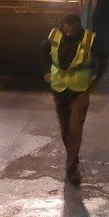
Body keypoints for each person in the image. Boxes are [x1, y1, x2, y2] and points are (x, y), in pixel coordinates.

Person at [43, 12, 96, 183]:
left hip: (79, 91)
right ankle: (72, 157)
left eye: (72, 29)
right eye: (66, 28)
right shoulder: (54, 36)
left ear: (79, 26)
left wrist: (97, 78)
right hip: (59, 90)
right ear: (62, 26)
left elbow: (103, 58)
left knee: (75, 129)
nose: (69, 32)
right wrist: (45, 71)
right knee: (65, 129)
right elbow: (43, 52)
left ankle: (72, 168)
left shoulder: (89, 40)